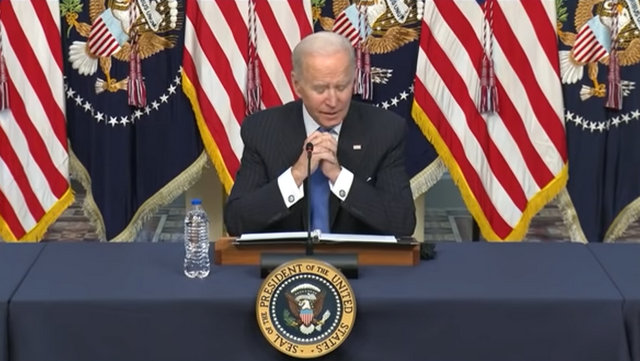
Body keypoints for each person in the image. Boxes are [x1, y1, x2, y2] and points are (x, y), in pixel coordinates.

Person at [224, 31, 416, 237]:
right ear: (297, 84)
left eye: (342, 86)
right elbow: (236, 221)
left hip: (359, 264)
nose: (333, 101)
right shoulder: (262, 129)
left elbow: (402, 223)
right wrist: (296, 174)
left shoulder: (385, 129)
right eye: (320, 89)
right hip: (285, 265)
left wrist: (339, 176)